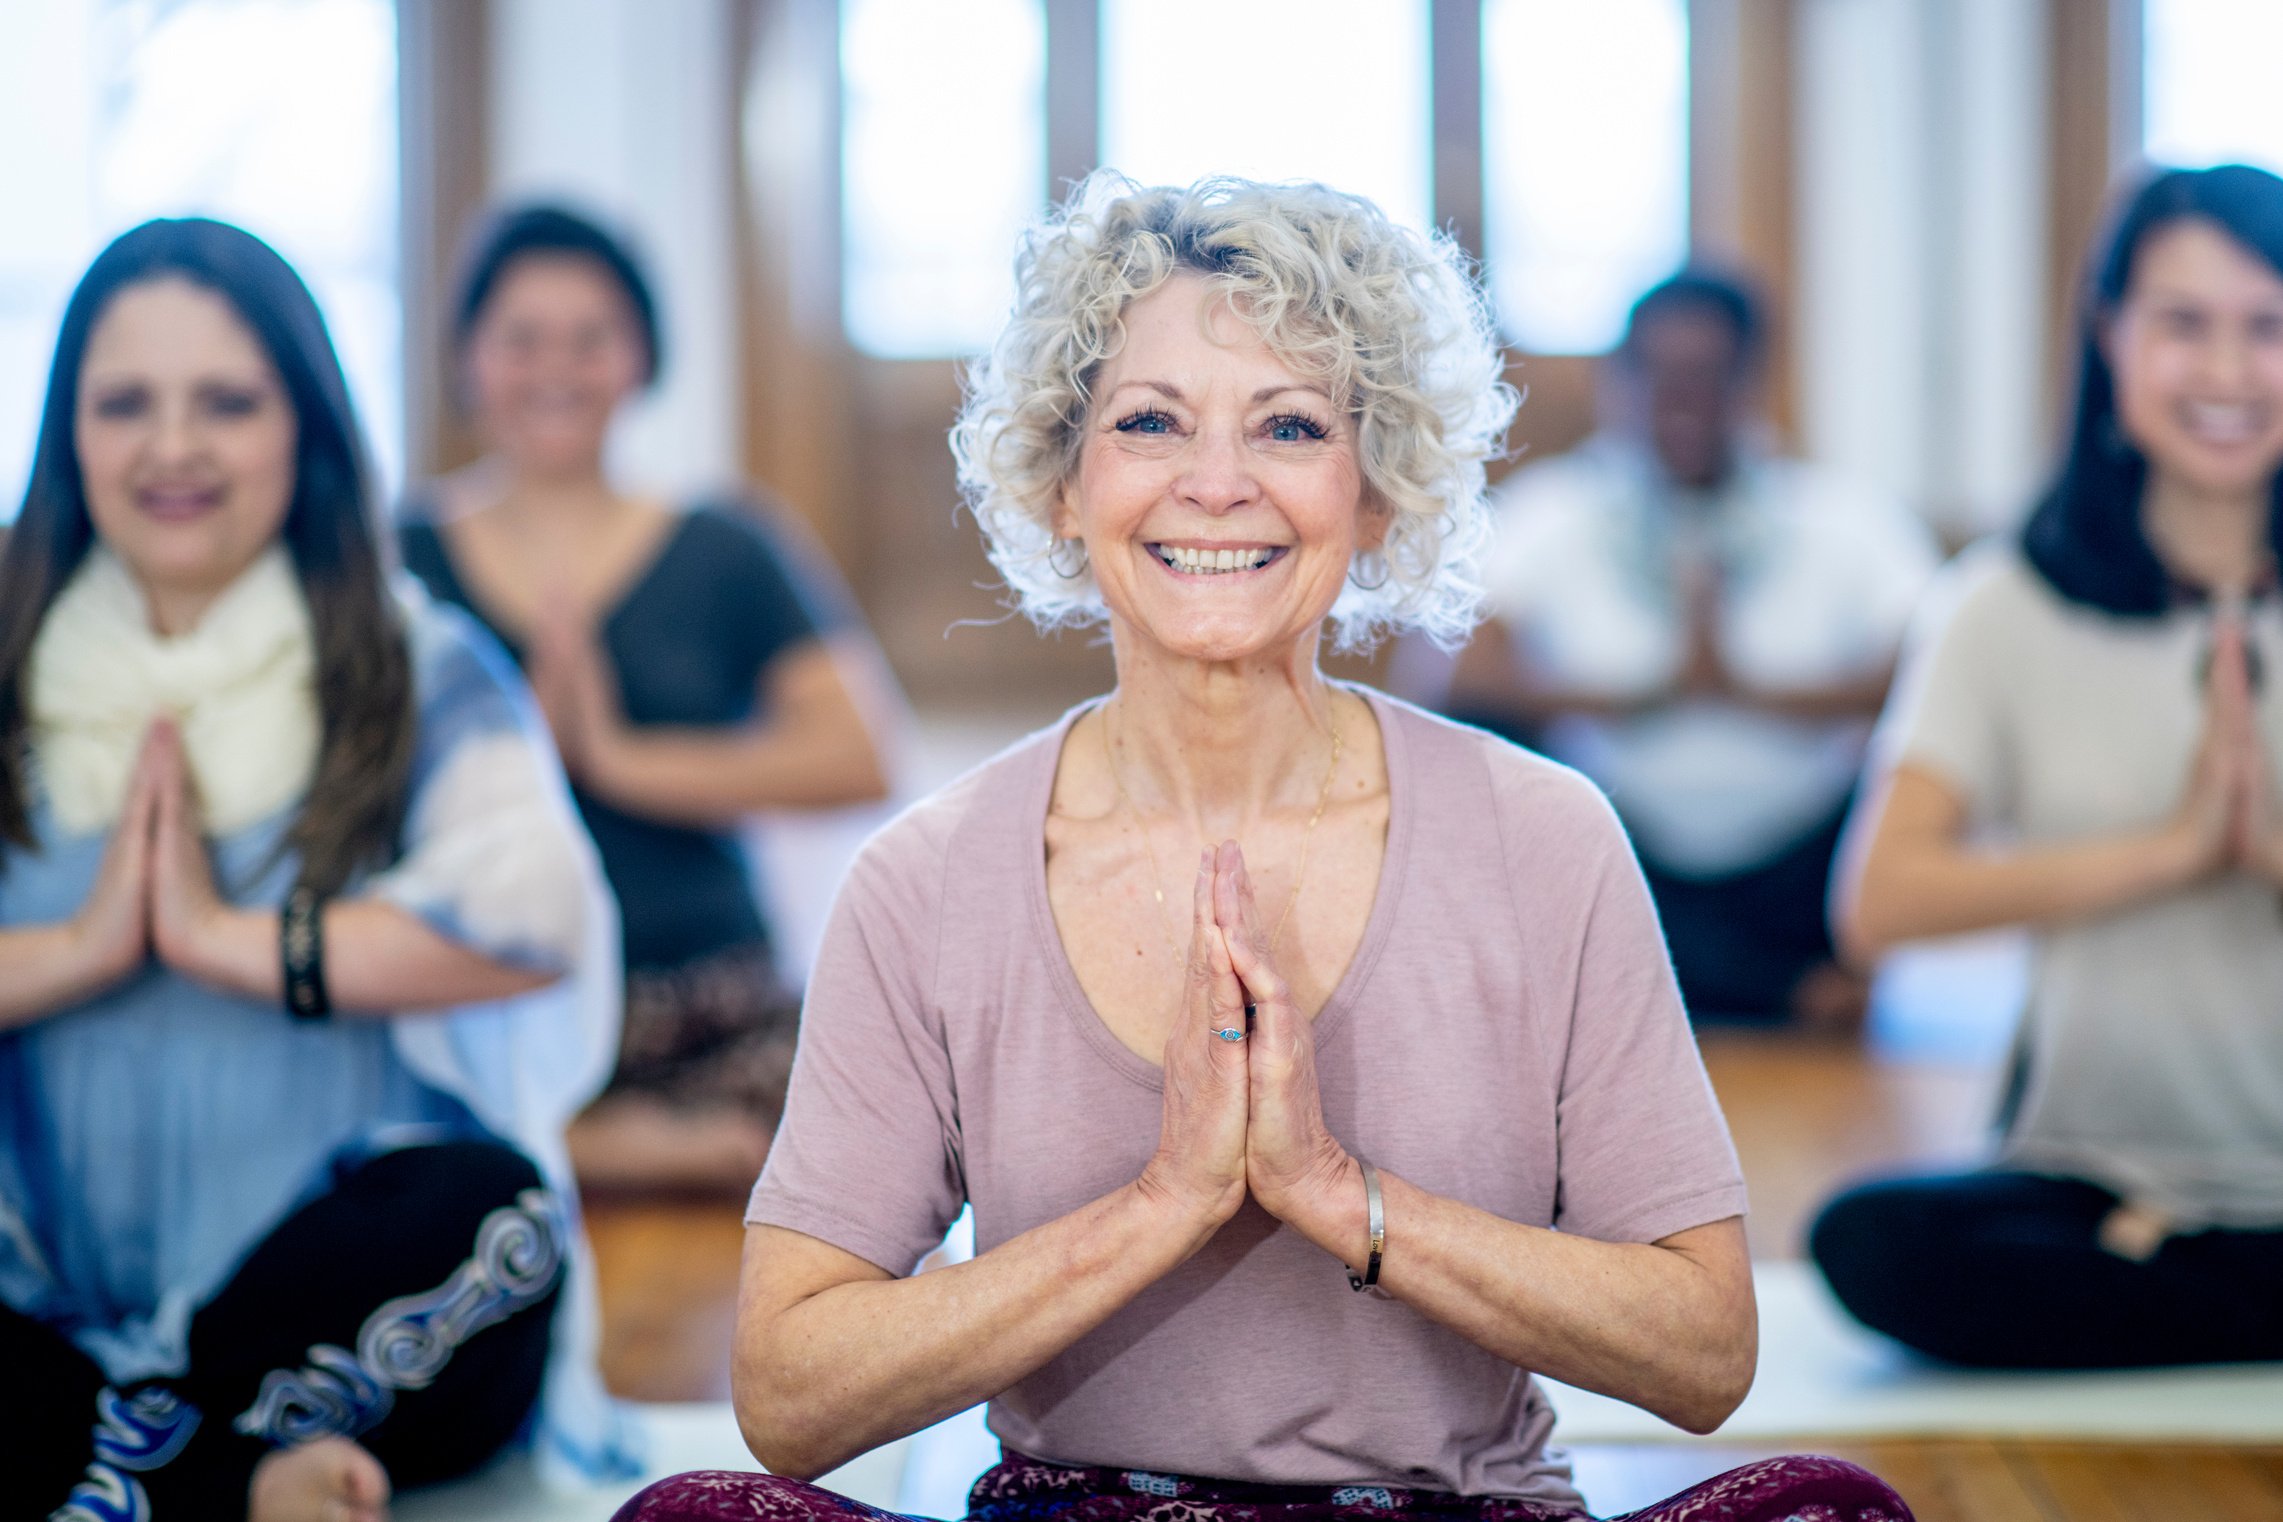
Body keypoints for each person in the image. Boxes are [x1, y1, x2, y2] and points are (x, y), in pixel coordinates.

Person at [615, 177, 1912, 1522]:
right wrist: (1162, 1202)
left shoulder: (1541, 836)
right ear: (1065, 485)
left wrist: (1332, 1193)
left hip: (1445, 1510)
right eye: (1148, 422)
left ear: (1373, 494)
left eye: (1288, 425)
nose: (1217, 484)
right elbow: (784, 1390)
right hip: (1083, 1509)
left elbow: (1702, 1346)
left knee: (1831, 1507)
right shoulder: (927, 876)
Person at [0, 219, 632, 1520]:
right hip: (31, 1294)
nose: (173, 448)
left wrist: (240, 941)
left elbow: (540, 909)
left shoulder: (417, 664)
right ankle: (215, 1471)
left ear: (304, 427)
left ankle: (103, 1456)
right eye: (127, 404)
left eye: (225, 402)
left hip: (314, 1297)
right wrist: (84, 952)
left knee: (496, 1217)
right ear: (71, 432)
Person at [1812, 165, 2283, 1369]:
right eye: (2184, 324)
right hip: (2087, 1175)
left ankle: (2171, 1276)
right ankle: (2201, 1277)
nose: (2228, 372)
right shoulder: (2002, 606)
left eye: (2267, 327)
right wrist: (2169, 850)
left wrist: (2265, 850)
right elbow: (1878, 906)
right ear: (2110, 336)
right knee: (1870, 1245)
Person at [398, 204, 898, 1194]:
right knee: (391, 1103)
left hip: (701, 997)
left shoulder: (726, 542)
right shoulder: (398, 556)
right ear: (468, 358)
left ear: (641, 356)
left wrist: (617, 757)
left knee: (877, 1113)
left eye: (592, 338)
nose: (557, 369)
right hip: (489, 989)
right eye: (522, 339)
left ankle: (570, 1139)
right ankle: (586, 1139)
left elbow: (861, 755)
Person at [1435, 272, 1940, 1028]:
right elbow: (1454, 675)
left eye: (1708, 376)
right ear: (1620, 382)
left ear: (1750, 383)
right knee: (1490, 769)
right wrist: (1648, 695)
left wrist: (1748, 693)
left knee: (1910, 767)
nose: (1683, 400)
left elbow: (1932, 670)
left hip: (1794, 860)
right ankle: (1772, 991)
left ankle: (1686, 983)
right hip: (1625, 846)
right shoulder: (1551, 512)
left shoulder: (1842, 514)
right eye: (1661, 375)